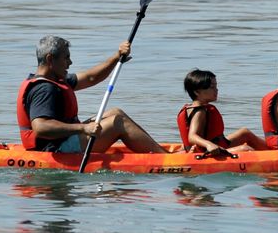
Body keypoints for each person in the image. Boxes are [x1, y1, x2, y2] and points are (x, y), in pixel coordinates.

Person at [16, 35, 167, 155]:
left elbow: (90, 78)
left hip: (62, 140)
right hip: (53, 149)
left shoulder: (57, 79)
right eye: (66, 57)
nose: (70, 62)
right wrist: (83, 129)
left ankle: (157, 150)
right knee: (117, 122)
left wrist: (117, 57)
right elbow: (41, 127)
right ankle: (167, 159)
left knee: (115, 112)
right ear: (50, 59)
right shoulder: (44, 89)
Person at [176, 69, 266, 155]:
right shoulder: (200, 111)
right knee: (246, 149)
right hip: (208, 152)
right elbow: (192, 137)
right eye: (212, 87)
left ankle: (276, 152)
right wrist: (209, 145)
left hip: (218, 145)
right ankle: (272, 160)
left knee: (245, 133)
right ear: (197, 92)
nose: (216, 90)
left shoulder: (195, 108)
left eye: (216, 86)